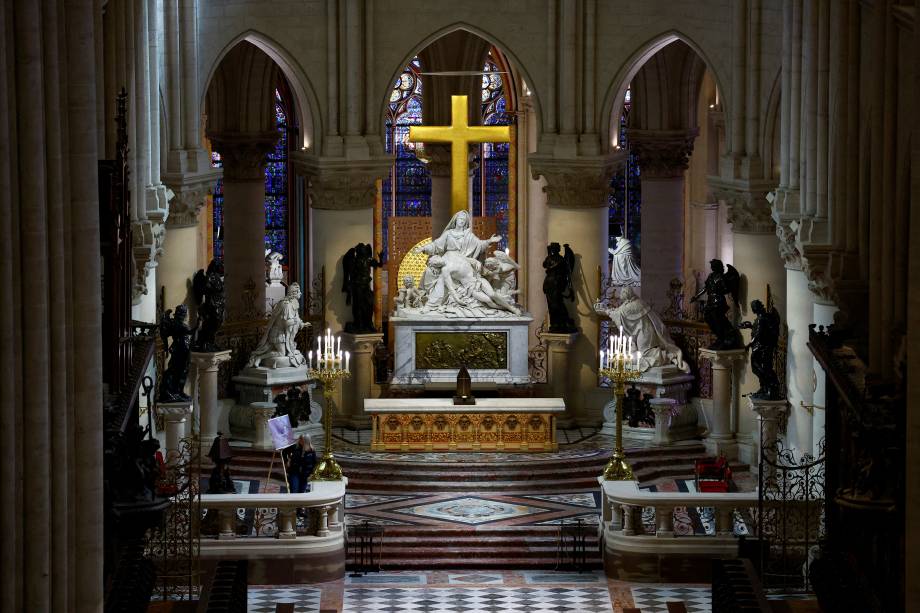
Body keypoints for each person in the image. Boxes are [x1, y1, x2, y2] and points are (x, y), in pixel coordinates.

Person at [596, 287, 689, 372]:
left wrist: (605, 311)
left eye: (623, 293)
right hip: (643, 331)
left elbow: (619, 314)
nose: (621, 296)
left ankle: (669, 357)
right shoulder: (634, 302)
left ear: (627, 294)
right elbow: (619, 311)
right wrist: (608, 309)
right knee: (642, 354)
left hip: (645, 332)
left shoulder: (634, 304)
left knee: (646, 354)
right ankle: (668, 357)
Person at [247, 282, 306, 368]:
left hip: (285, 334)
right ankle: (260, 357)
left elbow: (296, 317)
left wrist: (301, 323)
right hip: (278, 333)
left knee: (285, 353)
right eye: (298, 291)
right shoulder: (285, 304)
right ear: (293, 293)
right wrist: (296, 322)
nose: (300, 293)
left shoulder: (294, 303)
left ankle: (262, 357)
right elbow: (286, 323)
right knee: (281, 353)